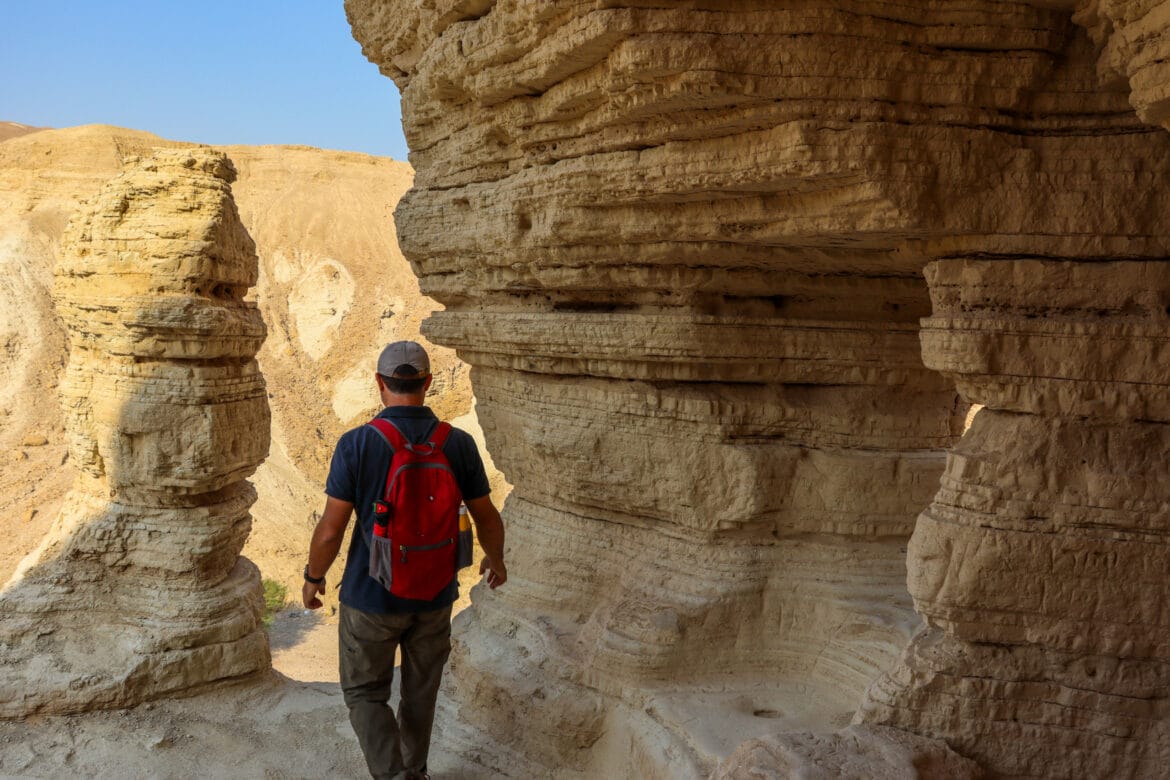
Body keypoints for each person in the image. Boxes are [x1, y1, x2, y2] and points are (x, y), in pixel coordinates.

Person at [302, 340, 507, 780]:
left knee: (364, 691)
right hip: (435, 594)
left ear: (380, 384)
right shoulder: (459, 444)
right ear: (428, 383)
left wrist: (313, 577)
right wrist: (495, 558)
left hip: (369, 597)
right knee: (420, 691)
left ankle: (393, 777)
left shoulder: (357, 444)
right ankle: (416, 771)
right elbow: (486, 515)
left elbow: (331, 529)